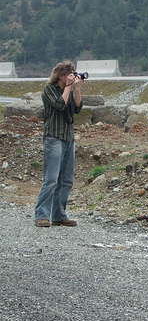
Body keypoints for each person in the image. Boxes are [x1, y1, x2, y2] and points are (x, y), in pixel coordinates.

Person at [34, 60, 84, 227]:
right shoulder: (49, 90)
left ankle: (58, 215)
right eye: (70, 74)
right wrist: (69, 87)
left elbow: (77, 108)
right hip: (54, 137)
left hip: (68, 138)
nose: (73, 76)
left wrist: (77, 88)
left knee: (67, 180)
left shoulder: (69, 90)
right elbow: (59, 105)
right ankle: (41, 214)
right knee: (51, 179)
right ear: (61, 75)